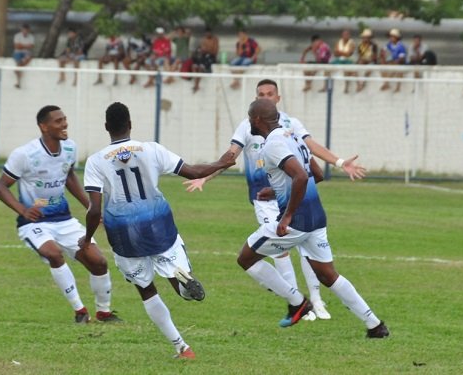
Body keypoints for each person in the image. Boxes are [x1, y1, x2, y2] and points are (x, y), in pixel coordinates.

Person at [184, 78, 366, 320]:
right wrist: (205, 177)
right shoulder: (247, 125)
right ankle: (298, 302)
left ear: (278, 98)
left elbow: (311, 147)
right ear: (256, 98)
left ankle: (315, 300)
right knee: (280, 251)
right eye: (261, 94)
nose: (265, 97)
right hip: (264, 200)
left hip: (294, 195)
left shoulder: (291, 124)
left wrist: (340, 162)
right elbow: (230, 156)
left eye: (270, 94)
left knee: (305, 249)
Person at [79, 102, 236, 359]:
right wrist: (222, 162)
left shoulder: (96, 161)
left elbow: (94, 210)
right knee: (176, 278)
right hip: (159, 227)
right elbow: (193, 171)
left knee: (146, 288)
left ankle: (181, 347)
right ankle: (183, 283)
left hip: (124, 236)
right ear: (130, 124)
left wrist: (87, 240)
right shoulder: (151, 149)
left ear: (106, 127)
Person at [236, 98, 389, 338]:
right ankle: (375, 325)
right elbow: (315, 174)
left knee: (246, 258)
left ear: (256, 119)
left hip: (296, 221)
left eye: (249, 117)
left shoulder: (273, 144)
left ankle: (298, 303)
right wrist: (276, 191)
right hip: (316, 216)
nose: (248, 122)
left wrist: (286, 217)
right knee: (327, 274)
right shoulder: (293, 136)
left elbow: (299, 176)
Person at [0, 105, 122, 324]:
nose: (64, 124)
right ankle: (80, 311)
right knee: (54, 254)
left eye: (64, 119)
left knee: (98, 262)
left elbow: (69, 176)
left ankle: (104, 312)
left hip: (64, 219)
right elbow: (0, 187)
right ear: (44, 127)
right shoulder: (24, 154)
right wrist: (23, 210)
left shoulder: (70, 148)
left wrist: (90, 206)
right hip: (34, 222)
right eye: (58, 121)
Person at [190, 27, 219, 93]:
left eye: (208, 33)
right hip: (203, 57)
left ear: (211, 33)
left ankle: (196, 85)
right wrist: (202, 50)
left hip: (210, 57)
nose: (207, 34)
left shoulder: (215, 40)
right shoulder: (203, 40)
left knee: (201, 67)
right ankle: (196, 84)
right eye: (206, 33)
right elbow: (201, 50)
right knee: (194, 67)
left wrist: (207, 50)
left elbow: (215, 52)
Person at [380, 28, 406, 93]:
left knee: (396, 69)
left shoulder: (401, 46)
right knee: (382, 67)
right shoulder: (389, 45)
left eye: (392, 37)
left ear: (396, 37)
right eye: (390, 37)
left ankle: (388, 84)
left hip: (399, 63)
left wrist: (393, 62)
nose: (390, 38)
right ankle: (386, 83)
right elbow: (382, 52)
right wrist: (383, 58)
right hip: (390, 62)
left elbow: (401, 58)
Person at [331, 29, 356, 93]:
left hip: (348, 60)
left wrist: (339, 52)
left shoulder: (352, 42)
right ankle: (326, 86)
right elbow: (335, 53)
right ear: (342, 35)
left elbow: (349, 54)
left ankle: (346, 87)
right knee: (328, 68)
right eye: (344, 34)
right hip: (339, 59)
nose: (345, 36)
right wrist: (343, 53)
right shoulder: (338, 42)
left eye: (347, 34)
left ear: (349, 35)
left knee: (347, 70)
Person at [13, 23, 35, 89]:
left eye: (26, 30)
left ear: (28, 30)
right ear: (22, 30)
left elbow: (31, 46)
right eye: (24, 30)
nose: (25, 31)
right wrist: (26, 46)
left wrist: (21, 45)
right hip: (18, 52)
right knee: (19, 63)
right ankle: (18, 82)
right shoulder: (17, 36)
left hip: (26, 53)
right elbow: (16, 46)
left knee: (28, 58)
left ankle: (18, 72)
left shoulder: (31, 37)